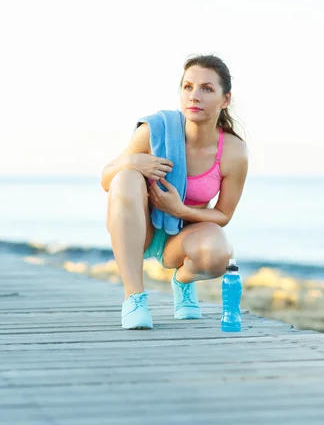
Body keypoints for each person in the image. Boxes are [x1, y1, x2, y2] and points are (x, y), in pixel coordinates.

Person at [101, 54, 249, 329]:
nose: (194, 96)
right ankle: (134, 297)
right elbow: (107, 179)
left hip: (183, 235)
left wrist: (178, 210)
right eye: (188, 87)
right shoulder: (156, 130)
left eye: (207, 89)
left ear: (225, 99)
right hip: (140, 229)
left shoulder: (233, 152)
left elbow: (223, 214)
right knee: (125, 178)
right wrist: (132, 162)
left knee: (219, 254)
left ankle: (182, 281)